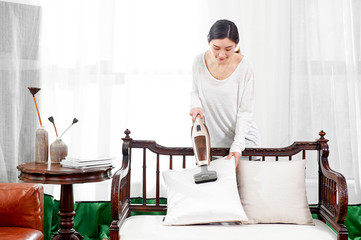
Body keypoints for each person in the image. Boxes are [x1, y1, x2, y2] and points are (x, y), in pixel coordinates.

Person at [190, 19, 260, 167]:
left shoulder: (245, 68)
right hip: (214, 143)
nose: (221, 54)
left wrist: (237, 145)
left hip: (243, 141)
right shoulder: (198, 62)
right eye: (216, 48)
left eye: (229, 49)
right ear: (208, 42)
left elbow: (245, 112)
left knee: (243, 189)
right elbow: (195, 91)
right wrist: (195, 106)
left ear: (236, 45)